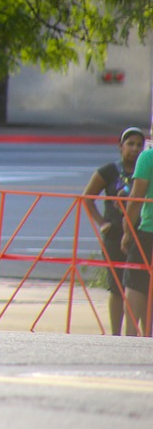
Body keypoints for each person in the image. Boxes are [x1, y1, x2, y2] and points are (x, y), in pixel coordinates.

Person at [82, 126, 144, 335]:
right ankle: (116, 334)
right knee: (117, 286)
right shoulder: (109, 171)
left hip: (140, 232)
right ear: (120, 146)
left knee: (140, 285)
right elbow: (88, 197)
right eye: (130, 144)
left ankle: (142, 332)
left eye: (139, 145)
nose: (134, 149)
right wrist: (102, 222)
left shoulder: (144, 169)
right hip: (115, 234)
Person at [123, 135, 153, 336]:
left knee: (136, 282)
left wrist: (127, 231)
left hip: (148, 230)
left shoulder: (147, 158)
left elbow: (135, 198)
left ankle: (132, 337)